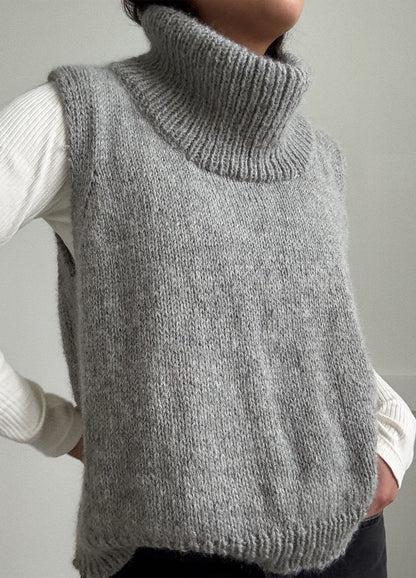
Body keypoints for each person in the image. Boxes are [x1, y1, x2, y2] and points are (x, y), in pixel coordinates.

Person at [1, 1, 415, 577]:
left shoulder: (320, 160)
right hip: (179, 550)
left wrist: (394, 435)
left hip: (350, 542)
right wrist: (56, 429)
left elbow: (321, 346)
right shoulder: (82, 118)